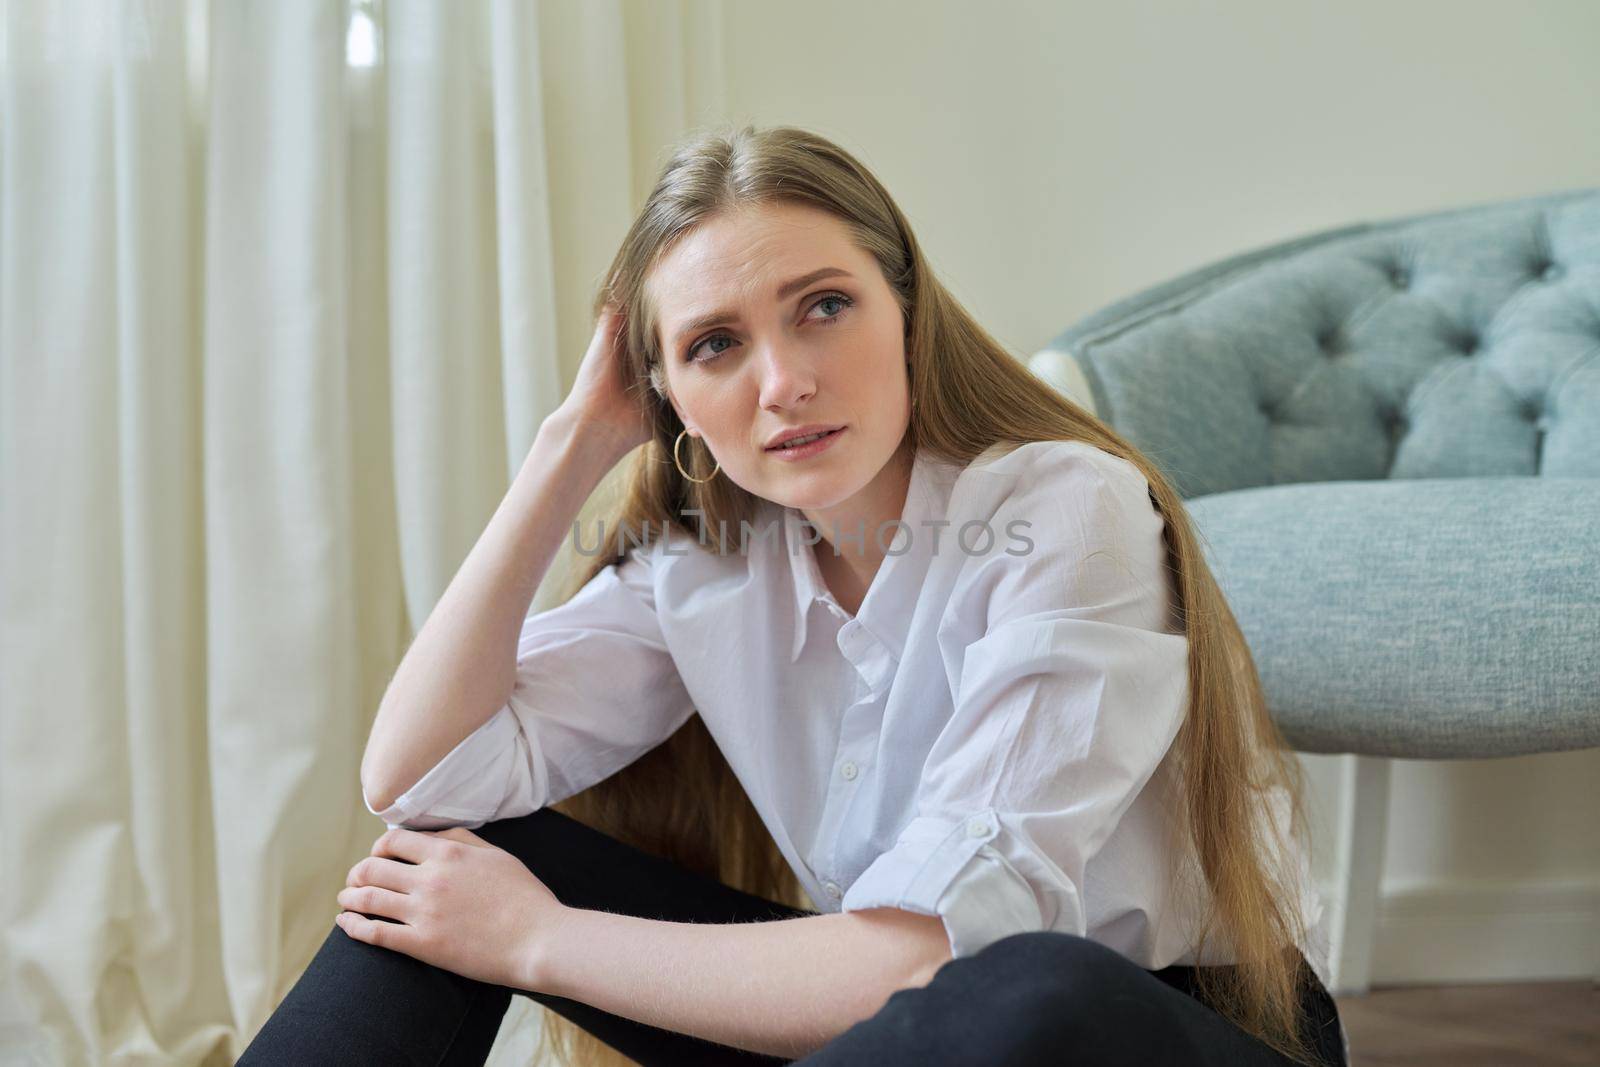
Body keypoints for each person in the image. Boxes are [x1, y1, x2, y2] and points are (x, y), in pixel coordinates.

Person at [239, 124, 1348, 1067]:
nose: (783, 382)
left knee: (1026, 984)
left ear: (905, 307)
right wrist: (569, 447)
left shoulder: (1065, 509)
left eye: (822, 306)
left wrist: (536, 942)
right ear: (664, 392)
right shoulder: (709, 563)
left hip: (1150, 1026)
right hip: (884, 1027)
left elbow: (925, 953)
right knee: (444, 859)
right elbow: (421, 776)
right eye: (715, 345)